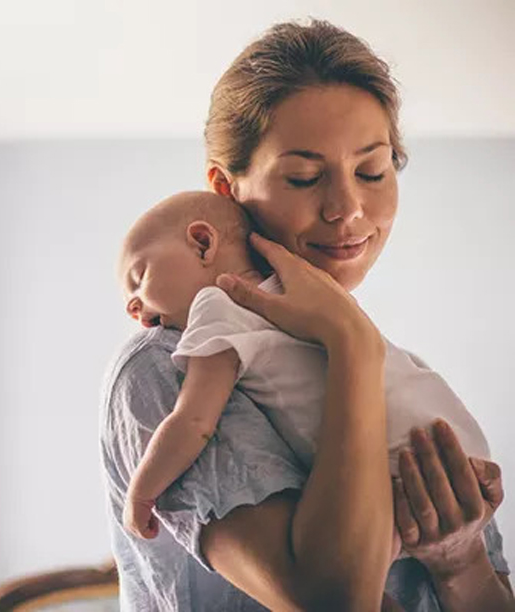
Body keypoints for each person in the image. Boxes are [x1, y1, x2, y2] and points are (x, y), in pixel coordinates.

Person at [100, 19, 513, 611]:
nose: (347, 210)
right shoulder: (167, 363)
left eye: (372, 171)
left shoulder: (401, 381)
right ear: (225, 188)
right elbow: (334, 601)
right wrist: (352, 344)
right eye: (304, 177)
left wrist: (461, 562)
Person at [117, 190, 490, 567]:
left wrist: (141, 493)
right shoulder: (312, 296)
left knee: (352, 571)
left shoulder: (218, 305)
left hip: (398, 458)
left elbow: (193, 421)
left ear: (202, 244)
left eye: (139, 277)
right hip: (454, 442)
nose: (132, 305)